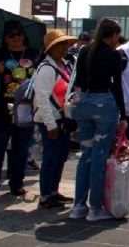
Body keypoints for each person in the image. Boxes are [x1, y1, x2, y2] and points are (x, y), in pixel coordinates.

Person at [68, 18, 128, 222]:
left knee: (86, 155)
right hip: (104, 104)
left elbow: (77, 81)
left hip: (82, 102)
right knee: (100, 156)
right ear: (113, 35)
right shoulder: (113, 55)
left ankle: (78, 205)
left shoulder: (84, 51)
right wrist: (124, 114)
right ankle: (95, 207)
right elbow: (117, 86)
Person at [0, 20, 41, 198]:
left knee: (21, 149)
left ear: (24, 35)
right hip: (1, 110)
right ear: (5, 38)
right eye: (10, 35)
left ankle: (17, 184)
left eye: (18, 34)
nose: (15, 38)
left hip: (25, 109)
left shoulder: (35, 54)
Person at [32, 29, 78, 210]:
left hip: (62, 118)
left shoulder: (64, 66)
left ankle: (54, 190)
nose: (63, 48)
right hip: (49, 120)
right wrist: (50, 124)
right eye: (59, 45)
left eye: (64, 44)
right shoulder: (46, 69)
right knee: (50, 158)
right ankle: (45, 194)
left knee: (60, 158)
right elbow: (42, 98)